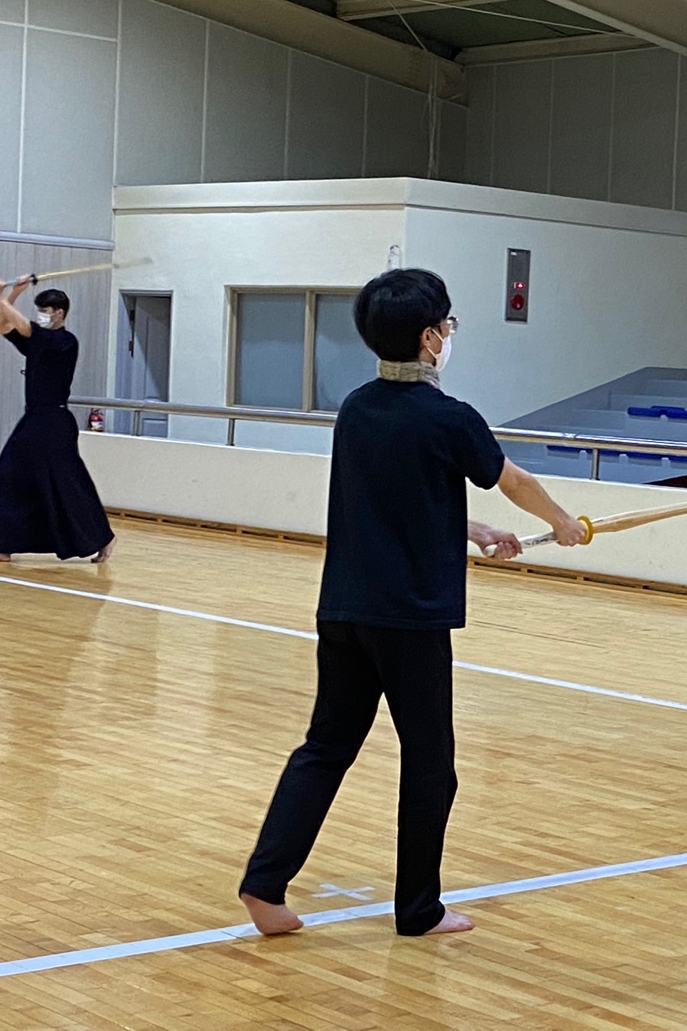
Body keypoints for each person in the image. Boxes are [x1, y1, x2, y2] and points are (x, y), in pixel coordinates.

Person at [239, 268, 588, 938]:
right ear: (430, 338)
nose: (450, 333)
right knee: (431, 764)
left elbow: (397, 496)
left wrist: (471, 529)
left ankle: (265, 883)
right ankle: (419, 908)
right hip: (410, 619)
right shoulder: (450, 417)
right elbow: (513, 479)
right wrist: (564, 522)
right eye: (447, 324)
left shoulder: (356, 408)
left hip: (345, 608)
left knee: (326, 746)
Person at [0, 280, 116, 565]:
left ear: (60, 313)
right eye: (39, 310)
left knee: (68, 481)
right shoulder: (37, 340)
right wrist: (12, 294)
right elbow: (0, 325)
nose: (41, 314)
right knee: (11, 473)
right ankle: (3, 546)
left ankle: (103, 537)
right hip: (34, 418)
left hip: (55, 421)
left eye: (45, 310)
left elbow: (25, 326)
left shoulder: (64, 342)